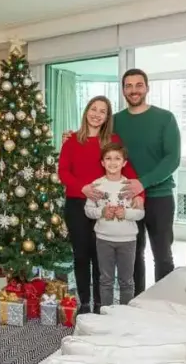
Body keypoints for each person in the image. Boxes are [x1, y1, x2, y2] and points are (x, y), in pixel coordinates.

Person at [61, 68, 180, 295]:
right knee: (133, 255)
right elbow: (93, 135)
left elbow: (172, 159)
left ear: (147, 88)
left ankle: (164, 302)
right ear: (123, 90)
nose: (134, 90)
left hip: (158, 196)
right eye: (128, 86)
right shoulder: (116, 121)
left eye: (138, 85)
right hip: (124, 196)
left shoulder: (165, 118)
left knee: (162, 255)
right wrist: (70, 137)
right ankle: (134, 301)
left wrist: (142, 184)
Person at [58, 96, 144, 314]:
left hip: (105, 205)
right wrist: (83, 188)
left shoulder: (112, 140)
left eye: (102, 111)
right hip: (77, 204)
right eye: (93, 109)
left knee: (100, 258)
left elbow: (129, 171)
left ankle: (100, 303)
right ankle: (84, 302)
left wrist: (141, 195)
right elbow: (63, 172)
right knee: (81, 256)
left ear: (107, 117)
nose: (97, 114)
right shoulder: (71, 141)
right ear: (86, 111)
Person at [84, 143, 145, 307]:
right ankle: (106, 313)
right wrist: (102, 212)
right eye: (108, 158)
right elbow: (88, 210)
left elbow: (140, 213)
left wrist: (126, 213)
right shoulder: (96, 185)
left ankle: (124, 314)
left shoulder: (131, 186)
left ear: (124, 163)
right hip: (103, 239)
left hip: (127, 240)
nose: (113, 162)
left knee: (126, 281)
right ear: (102, 162)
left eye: (117, 158)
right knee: (106, 280)